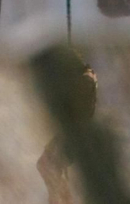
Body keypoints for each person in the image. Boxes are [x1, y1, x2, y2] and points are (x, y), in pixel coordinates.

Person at [36, 46, 99, 204]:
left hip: (77, 134)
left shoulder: (85, 80)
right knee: (46, 163)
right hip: (72, 131)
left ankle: (62, 197)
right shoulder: (82, 79)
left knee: (48, 164)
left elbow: (81, 110)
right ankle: (59, 196)